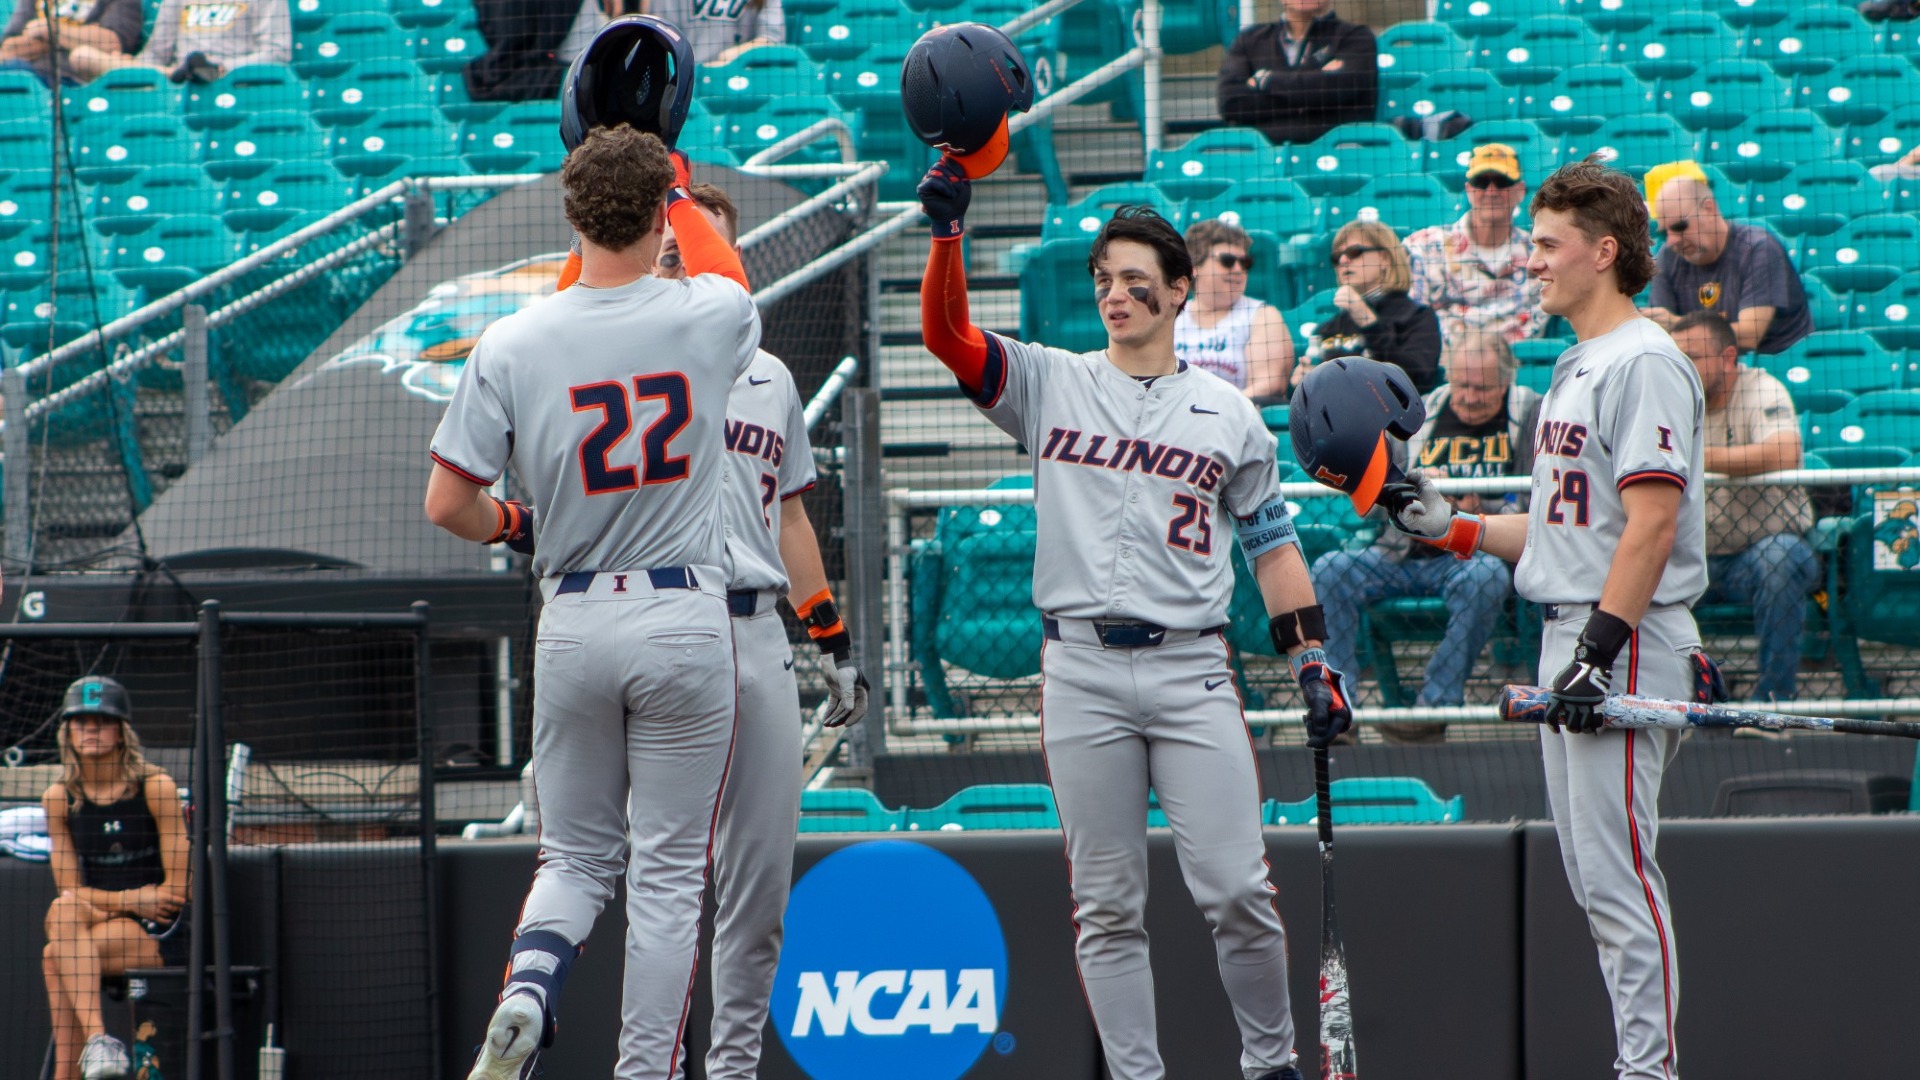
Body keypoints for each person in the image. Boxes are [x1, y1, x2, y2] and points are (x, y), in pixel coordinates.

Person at [918, 155, 1352, 1080]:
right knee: (1107, 903)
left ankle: (1270, 1066)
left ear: (1178, 288)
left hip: (1191, 673)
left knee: (1238, 890)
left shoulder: (1230, 413)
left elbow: (1273, 547)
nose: (1114, 294)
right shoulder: (1049, 380)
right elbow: (949, 337)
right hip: (1078, 672)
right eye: (1103, 279)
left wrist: (1311, 659)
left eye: (1132, 279)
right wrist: (948, 235)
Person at [426, 124, 758, 1080]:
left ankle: (529, 989)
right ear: (661, 215)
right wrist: (680, 188)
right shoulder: (705, 313)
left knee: (571, 858)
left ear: (568, 214)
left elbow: (447, 502)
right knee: (665, 881)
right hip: (682, 613)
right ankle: (643, 1072)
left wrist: (515, 526)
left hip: (570, 611)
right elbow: (726, 272)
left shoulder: (515, 338)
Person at [1377, 154, 1710, 1080]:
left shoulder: (1643, 359)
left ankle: (1649, 1073)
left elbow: (1652, 523)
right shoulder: (1577, 361)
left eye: (1549, 244)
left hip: (1624, 639)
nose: (1531, 261)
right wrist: (1455, 528)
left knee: (1620, 877)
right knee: (1594, 881)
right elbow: (1565, 531)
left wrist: (1599, 651)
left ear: (1604, 252)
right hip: (1579, 630)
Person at [638, 180, 872, 1080]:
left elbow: (792, 522)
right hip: (662, 622)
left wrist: (832, 645)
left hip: (759, 631)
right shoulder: (625, 362)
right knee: (667, 883)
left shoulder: (771, 376)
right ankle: (652, 1064)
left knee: (759, 888)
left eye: (708, 248)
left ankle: (732, 1072)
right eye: (676, 247)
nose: (690, 259)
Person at [1311, 330, 1538, 743]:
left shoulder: (1527, 411)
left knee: (1485, 578)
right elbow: (1383, 486)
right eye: (1462, 385)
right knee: (1330, 570)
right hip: (1404, 552)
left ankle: (1434, 707)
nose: (1468, 397)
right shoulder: (1423, 413)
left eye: (1482, 388)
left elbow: (1536, 497)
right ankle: (1340, 708)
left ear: (1506, 381)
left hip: (1470, 557)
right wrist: (1414, 498)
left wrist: (1475, 509)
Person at [40, 675, 190, 1080]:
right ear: (67, 732)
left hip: (159, 931)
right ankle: (97, 1044)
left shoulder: (156, 787)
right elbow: (70, 889)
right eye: (81, 721)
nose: (90, 729)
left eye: (102, 721)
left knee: (57, 953)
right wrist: (131, 898)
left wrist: (124, 905)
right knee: (62, 921)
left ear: (121, 733)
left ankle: (81, 1060)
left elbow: (175, 893)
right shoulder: (59, 798)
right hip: (103, 918)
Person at [1672, 310, 1820, 703]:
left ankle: (1773, 702)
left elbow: (1784, 452)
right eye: (1678, 358)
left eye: (1695, 357)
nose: (1685, 368)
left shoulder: (1761, 388)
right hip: (1690, 560)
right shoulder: (1670, 398)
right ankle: (1669, 704)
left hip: (1756, 554)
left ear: (1728, 356)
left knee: (1780, 557)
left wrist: (1699, 457)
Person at [1643, 175, 1812, 355]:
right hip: (1702, 367)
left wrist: (1678, 325)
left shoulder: (1758, 249)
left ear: (1709, 208)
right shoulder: (1668, 258)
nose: (1672, 241)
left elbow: (1750, 335)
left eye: (1680, 226)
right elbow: (1661, 335)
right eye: (1664, 233)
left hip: (1772, 364)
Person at [1404, 142, 1547, 346]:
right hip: (1445, 365)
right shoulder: (1425, 247)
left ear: (1520, 191)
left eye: (1502, 181)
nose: (1491, 191)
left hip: (1515, 367)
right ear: (1469, 190)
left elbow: (1538, 317)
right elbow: (1417, 321)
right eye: (1481, 182)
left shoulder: (1538, 252)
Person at [1296, 219, 1443, 394]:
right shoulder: (1327, 329)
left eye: (1354, 252)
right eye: (1336, 257)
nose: (1343, 260)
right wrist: (1301, 384)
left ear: (1384, 259)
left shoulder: (1417, 316)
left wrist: (1368, 322)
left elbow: (1418, 379)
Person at [1217, 0, 1376, 146]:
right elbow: (1231, 104)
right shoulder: (1249, 40)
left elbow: (1340, 90)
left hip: (1336, 153)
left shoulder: (1356, 37)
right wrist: (1314, 90)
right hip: (1263, 156)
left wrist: (1266, 80)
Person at [1173, 218, 1295, 401]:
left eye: (1245, 263)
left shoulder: (1262, 316)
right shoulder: (1171, 318)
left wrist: (1214, 409)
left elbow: (1269, 385)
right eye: (1227, 261)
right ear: (1195, 268)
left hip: (1235, 421)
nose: (1238, 270)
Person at [68, 0, 287, 83]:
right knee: (82, 57)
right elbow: (156, 53)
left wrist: (223, 68)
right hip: (174, 78)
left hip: (231, 80)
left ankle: (194, 72)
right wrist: (134, 63)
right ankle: (180, 73)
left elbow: (277, 53)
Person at [0, 0, 143, 89]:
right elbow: (8, 47)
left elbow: (112, 43)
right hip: (28, 72)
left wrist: (50, 30)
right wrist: (72, 37)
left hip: (72, 82)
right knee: (12, 70)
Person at [644, 0, 784, 65]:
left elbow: (771, 40)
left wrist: (729, 58)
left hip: (738, 76)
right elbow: (662, 38)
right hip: (687, 80)